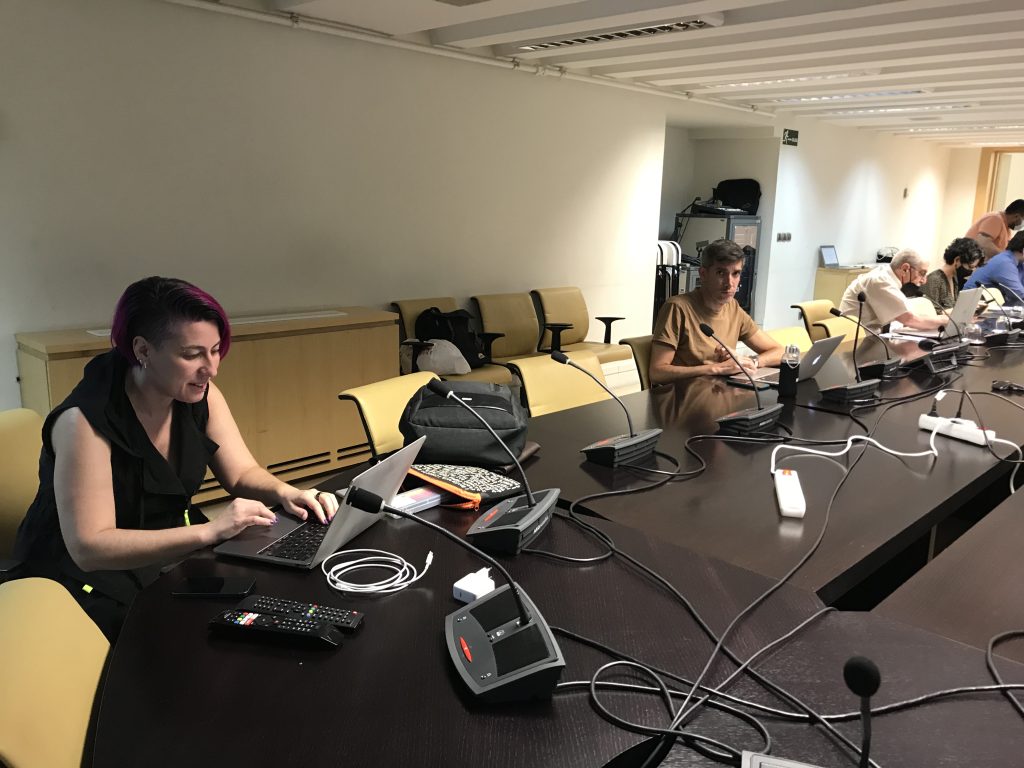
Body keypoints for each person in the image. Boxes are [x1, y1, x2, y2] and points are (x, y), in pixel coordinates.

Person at [14, 277, 340, 640]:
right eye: (192, 354)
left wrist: (285, 492)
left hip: (163, 549)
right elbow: (89, 548)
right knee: (183, 638)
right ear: (143, 350)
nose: (211, 368)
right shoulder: (84, 422)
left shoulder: (197, 392)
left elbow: (240, 472)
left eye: (215, 350)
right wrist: (209, 531)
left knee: (252, 601)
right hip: (80, 580)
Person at [649, 238, 782, 384]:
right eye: (720, 273)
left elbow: (779, 351)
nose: (729, 283)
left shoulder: (733, 307)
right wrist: (716, 368)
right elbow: (657, 372)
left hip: (721, 392)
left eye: (736, 273)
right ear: (703, 274)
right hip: (686, 394)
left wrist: (750, 362)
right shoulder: (677, 308)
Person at [838, 249, 947, 333]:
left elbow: (907, 317)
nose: (924, 281)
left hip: (872, 338)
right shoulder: (880, 280)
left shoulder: (887, 277)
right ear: (905, 269)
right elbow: (909, 320)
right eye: (922, 273)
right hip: (857, 343)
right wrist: (947, 321)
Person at [922, 238, 983, 311]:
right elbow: (930, 313)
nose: (972, 271)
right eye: (970, 267)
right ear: (957, 260)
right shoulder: (934, 280)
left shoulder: (954, 278)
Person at [964, 231, 1024, 306]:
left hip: (987, 305)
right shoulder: (1004, 262)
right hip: (970, 305)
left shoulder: (1018, 263)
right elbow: (1019, 294)